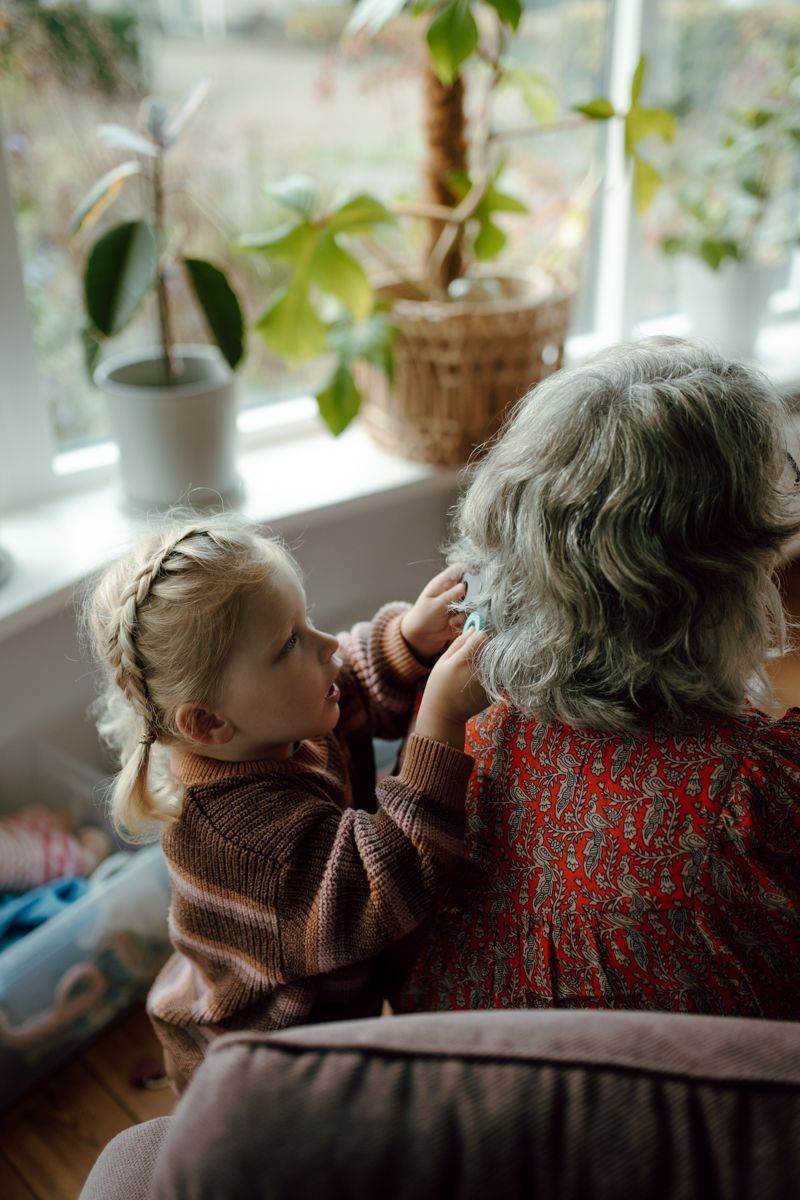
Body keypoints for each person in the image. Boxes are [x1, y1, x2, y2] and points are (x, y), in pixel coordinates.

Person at [390, 336, 800, 1020]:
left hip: (469, 1095)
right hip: (684, 1115)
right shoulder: (758, 796)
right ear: (720, 584)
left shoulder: (468, 742)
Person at [84, 514, 487, 1091]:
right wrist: (441, 720)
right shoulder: (242, 841)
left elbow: (346, 682)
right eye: (288, 643)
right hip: (268, 1076)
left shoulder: (271, 723)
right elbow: (389, 884)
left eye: (307, 620)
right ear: (206, 721)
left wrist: (406, 641)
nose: (326, 646)